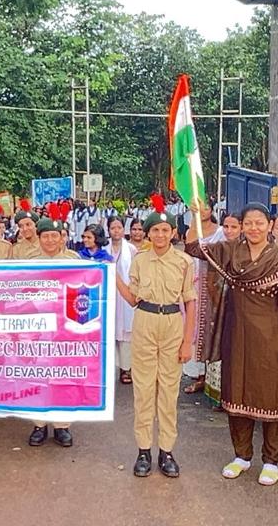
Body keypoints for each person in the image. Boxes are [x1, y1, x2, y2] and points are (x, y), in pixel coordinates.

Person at [185, 203, 278, 487]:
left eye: (259, 223)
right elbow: (192, 248)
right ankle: (242, 456)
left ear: (270, 225)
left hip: (273, 339)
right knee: (237, 393)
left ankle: (271, 461)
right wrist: (195, 215)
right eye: (248, 223)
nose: (253, 228)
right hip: (236, 336)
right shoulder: (230, 250)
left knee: (273, 397)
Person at [115, 198, 196, 478]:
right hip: (145, 323)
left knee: (169, 390)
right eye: (155, 230)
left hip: (172, 322)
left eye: (165, 230)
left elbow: (190, 302)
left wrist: (188, 341)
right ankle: (143, 451)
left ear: (173, 233)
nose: (160, 235)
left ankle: (167, 451)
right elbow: (133, 298)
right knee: (144, 388)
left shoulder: (185, 262)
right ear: (147, 233)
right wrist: (113, 277)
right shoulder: (139, 261)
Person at [28, 206, 79, 447]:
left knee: (63, 377)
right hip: (38, 330)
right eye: (45, 236)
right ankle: (39, 425)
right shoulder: (29, 264)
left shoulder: (75, 261)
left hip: (66, 330)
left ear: (62, 238)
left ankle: (62, 427)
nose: (50, 240)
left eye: (54, 236)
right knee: (38, 377)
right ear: (39, 239)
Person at [184, 208, 236, 396]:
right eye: (227, 226)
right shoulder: (219, 248)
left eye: (234, 227)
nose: (229, 231)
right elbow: (192, 248)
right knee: (209, 337)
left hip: (242, 304)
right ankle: (206, 382)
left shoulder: (250, 249)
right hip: (214, 298)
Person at [107, 216, 138, 385]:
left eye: (119, 227)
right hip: (110, 294)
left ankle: (126, 368)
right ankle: (112, 368)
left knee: (126, 333)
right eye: (113, 228)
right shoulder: (104, 249)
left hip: (125, 294)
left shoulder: (131, 249)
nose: (116, 231)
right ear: (108, 230)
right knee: (111, 331)